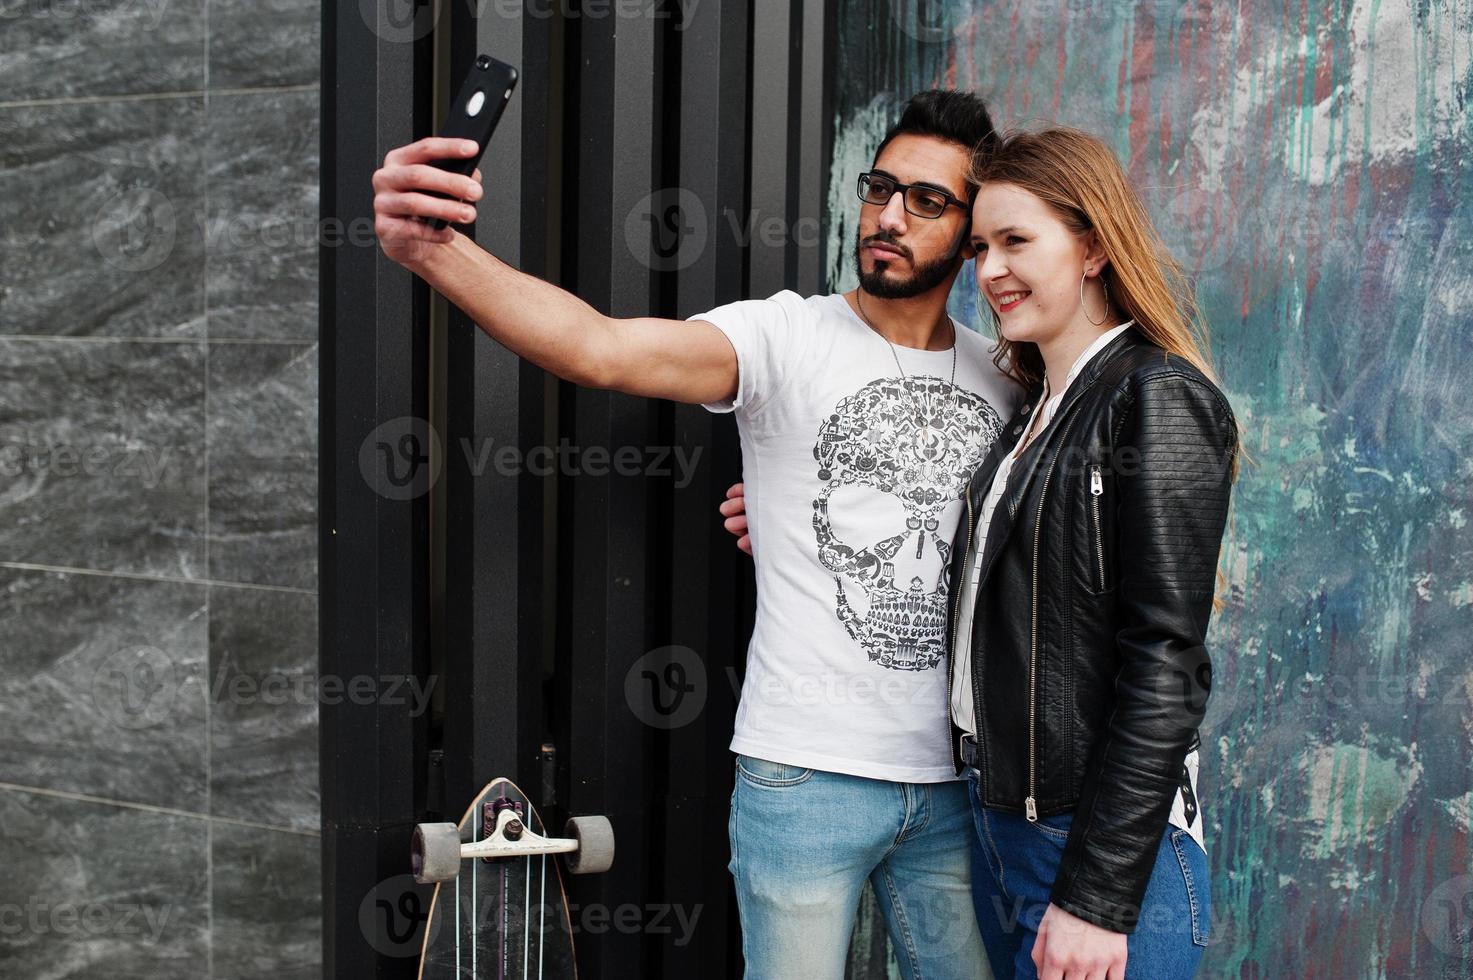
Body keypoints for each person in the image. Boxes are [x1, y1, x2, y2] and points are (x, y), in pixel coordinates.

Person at [372, 89, 1019, 978]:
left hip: (959, 783)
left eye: (928, 200)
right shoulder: (784, 335)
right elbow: (596, 348)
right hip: (805, 779)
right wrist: (434, 252)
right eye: (880, 188)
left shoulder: (1008, 377)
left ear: (972, 231)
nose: (890, 216)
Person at [723, 126, 1239, 979]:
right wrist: (785, 512)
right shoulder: (1030, 410)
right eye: (980, 247)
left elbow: (1164, 664)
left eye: (1016, 242)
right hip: (1008, 832)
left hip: (1098, 853)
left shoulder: (1155, 396)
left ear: (1093, 250)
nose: (990, 270)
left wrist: (1097, 901)